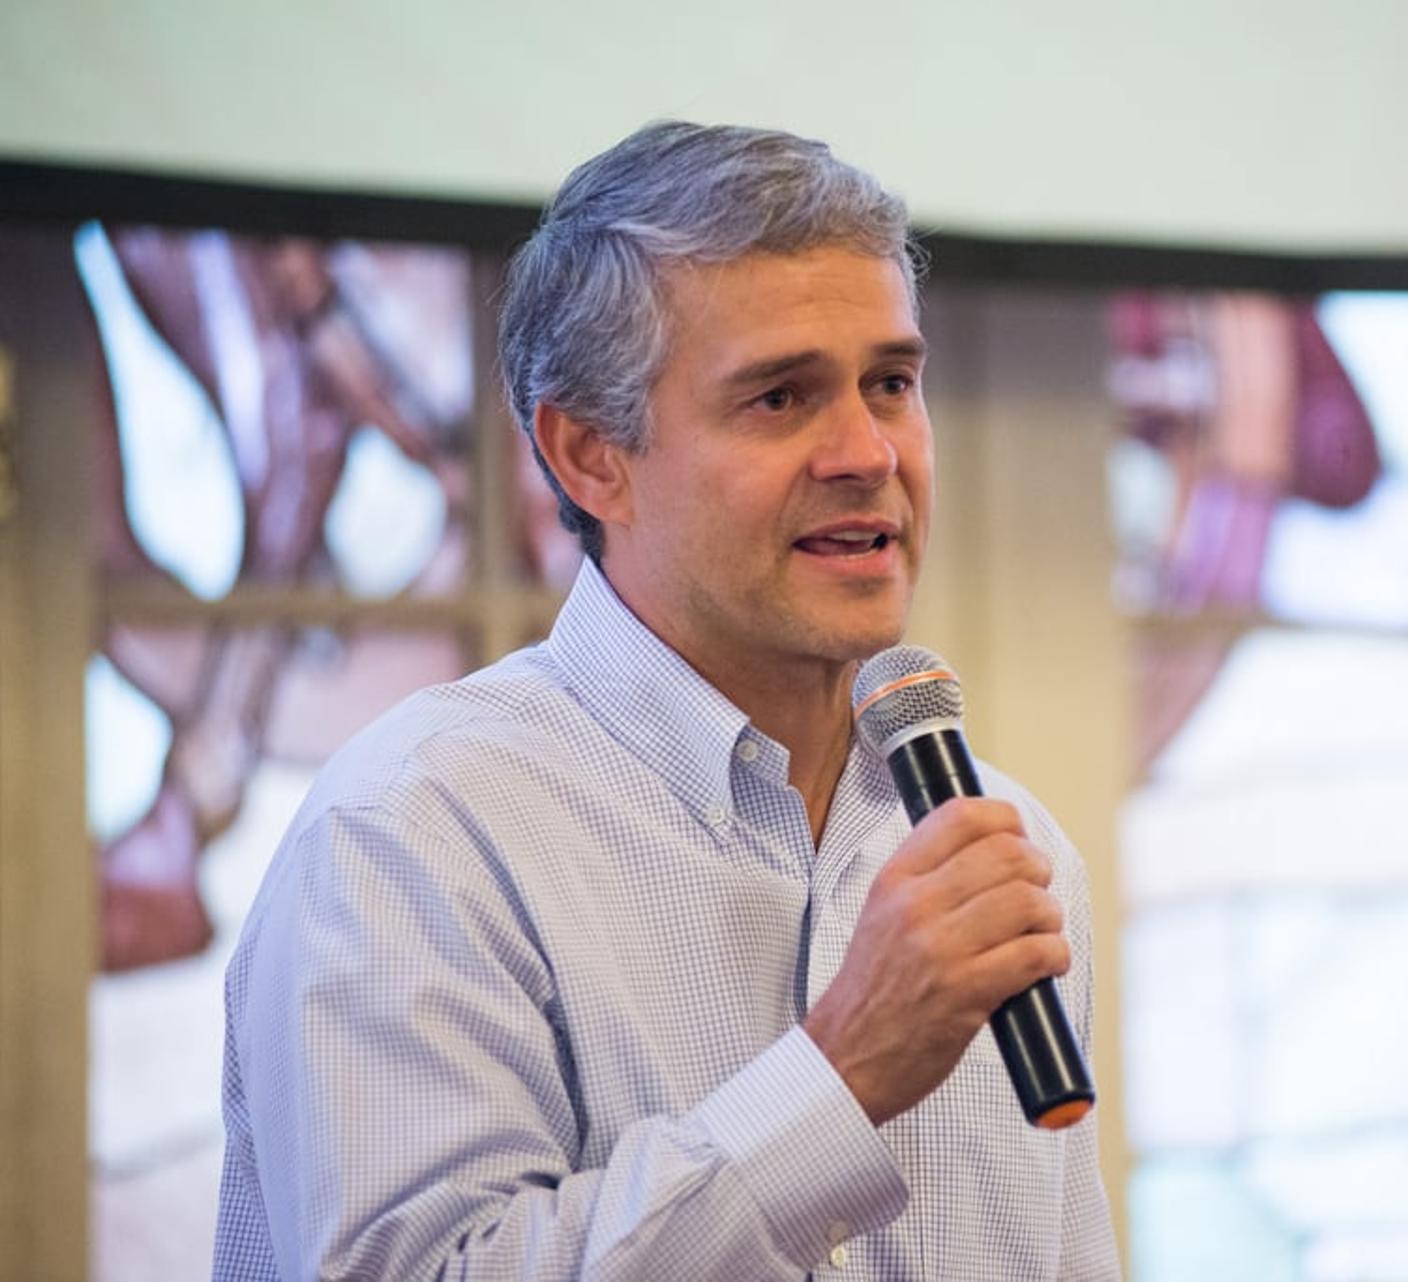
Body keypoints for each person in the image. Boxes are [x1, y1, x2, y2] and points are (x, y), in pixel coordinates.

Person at [212, 121, 1120, 1279]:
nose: (867, 452)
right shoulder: (412, 834)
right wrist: (838, 1079)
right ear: (592, 456)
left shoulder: (1005, 846)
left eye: (891, 382)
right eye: (781, 398)